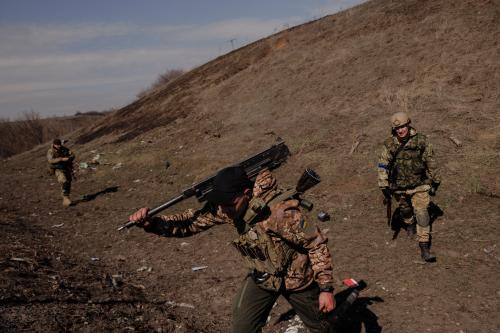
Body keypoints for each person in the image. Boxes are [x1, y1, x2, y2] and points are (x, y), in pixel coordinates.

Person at [129, 167, 336, 332]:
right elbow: (190, 223)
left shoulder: (282, 214)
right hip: (263, 276)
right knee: (242, 327)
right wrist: (152, 223)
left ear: (246, 194)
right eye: (221, 205)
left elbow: (316, 244)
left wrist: (326, 289)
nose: (224, 211)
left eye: (230, 205)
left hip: (298, 280)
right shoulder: (226, 208)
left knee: (323, 327)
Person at [377, 112, 441, 262]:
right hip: (399, 186)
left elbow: (431, 161)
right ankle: (409, 223)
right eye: (397, 128)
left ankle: (424, 247)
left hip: (419, 185)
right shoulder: (389, 144)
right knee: (405, 209)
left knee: (422, 214)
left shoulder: (421, 141)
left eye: (403, 126)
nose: (401, 130)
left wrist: (436, 180)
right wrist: (383, 184)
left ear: (409, 125)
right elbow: (383, 164)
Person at [47, 138, 75, 206]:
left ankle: (66, 198)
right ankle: (65, 198)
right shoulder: (51, 151)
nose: (58, 146)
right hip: (57, 169)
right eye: (57, 145)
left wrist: (70, 158)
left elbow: (72, 154)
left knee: (68, 182)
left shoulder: (64, 149)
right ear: (54, 144)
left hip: (66, 168)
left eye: (59, 144)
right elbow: (50, 160)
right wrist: (61, 159)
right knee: (63, 181)